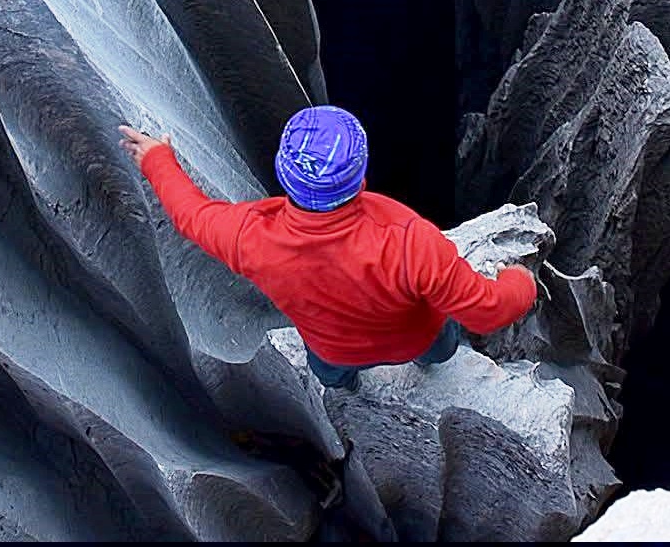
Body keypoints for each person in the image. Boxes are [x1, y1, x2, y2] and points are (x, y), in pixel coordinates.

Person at [119, 105, 537, 392]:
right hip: (413, 339)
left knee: (330, 372)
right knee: (441, 343)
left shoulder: (251, 238)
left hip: (334, 348)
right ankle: (434, 360)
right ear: (359, 175)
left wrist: (158, 160)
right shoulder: (410, 243)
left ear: (284, 174)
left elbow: (191, 216)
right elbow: (487, 312)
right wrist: (520, 281)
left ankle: (345, 387)